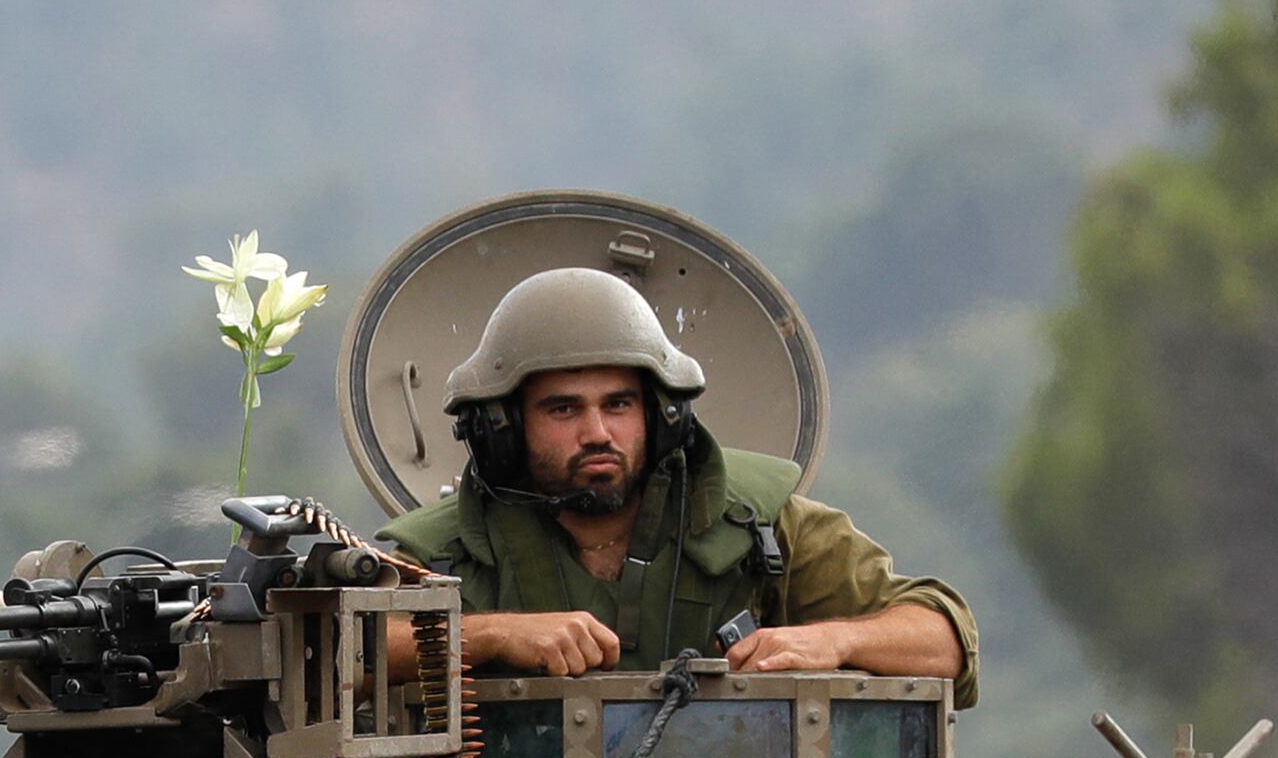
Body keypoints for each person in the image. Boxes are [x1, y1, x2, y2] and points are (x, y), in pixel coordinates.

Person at [378, 266, 977, 694]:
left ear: (662, 416)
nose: (597, 432)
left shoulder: (754, 521)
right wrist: (490, 637)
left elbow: (944, 637)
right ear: (503, 429)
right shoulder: (445, 552)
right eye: (563, 409)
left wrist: (832, 643)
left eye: (618, 405)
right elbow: (336, 657)